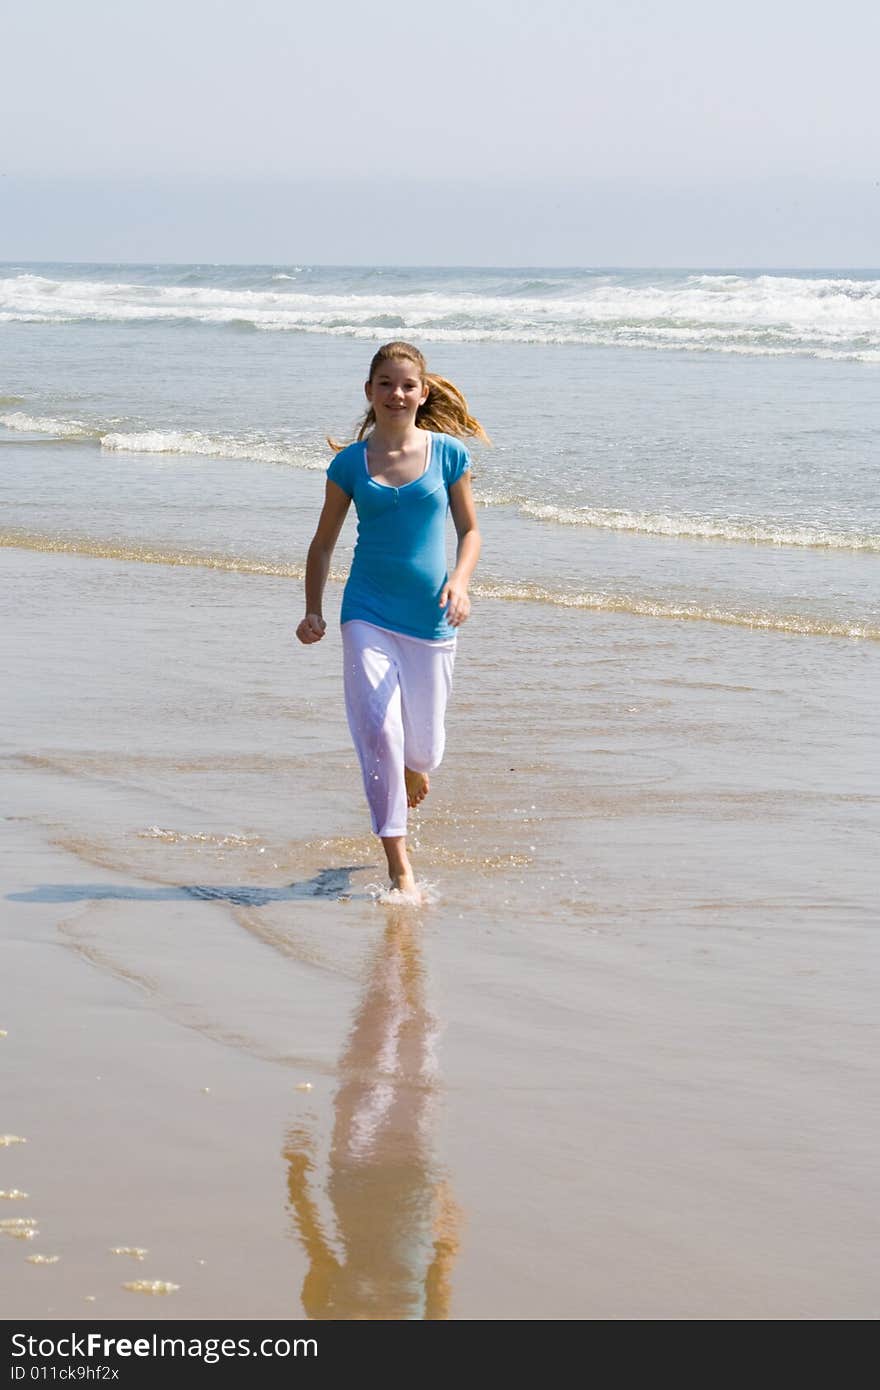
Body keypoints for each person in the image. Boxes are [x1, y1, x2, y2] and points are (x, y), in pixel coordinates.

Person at [296, 341, 487, 900]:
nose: (396, 393)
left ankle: (413, 767)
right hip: (368, 612)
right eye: (385, 383)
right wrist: (314, 609)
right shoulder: (350, 464)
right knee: (378, 727)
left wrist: (460, 582)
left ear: (422, 393)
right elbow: (323, 543)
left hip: (429, 619)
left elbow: (471, 531)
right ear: (369, 392)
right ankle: (399, 864)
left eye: (407, 385)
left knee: (422, 751)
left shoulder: (449, 455)